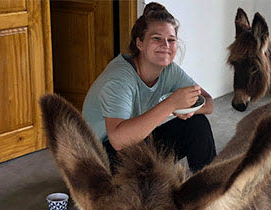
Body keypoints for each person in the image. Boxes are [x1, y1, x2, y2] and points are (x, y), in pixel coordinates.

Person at [82, 2, 216, 172]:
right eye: (156, 38)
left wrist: (188, 110)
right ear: (140, 44)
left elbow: (209, 103)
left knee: (197, 124)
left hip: (136, 142)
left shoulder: (170, 71)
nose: (165, 45)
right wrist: (171, 104)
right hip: (98, 158)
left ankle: (209, 190)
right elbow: (118, 141)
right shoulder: (119, 79)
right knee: (138, 146)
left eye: (171, 40)